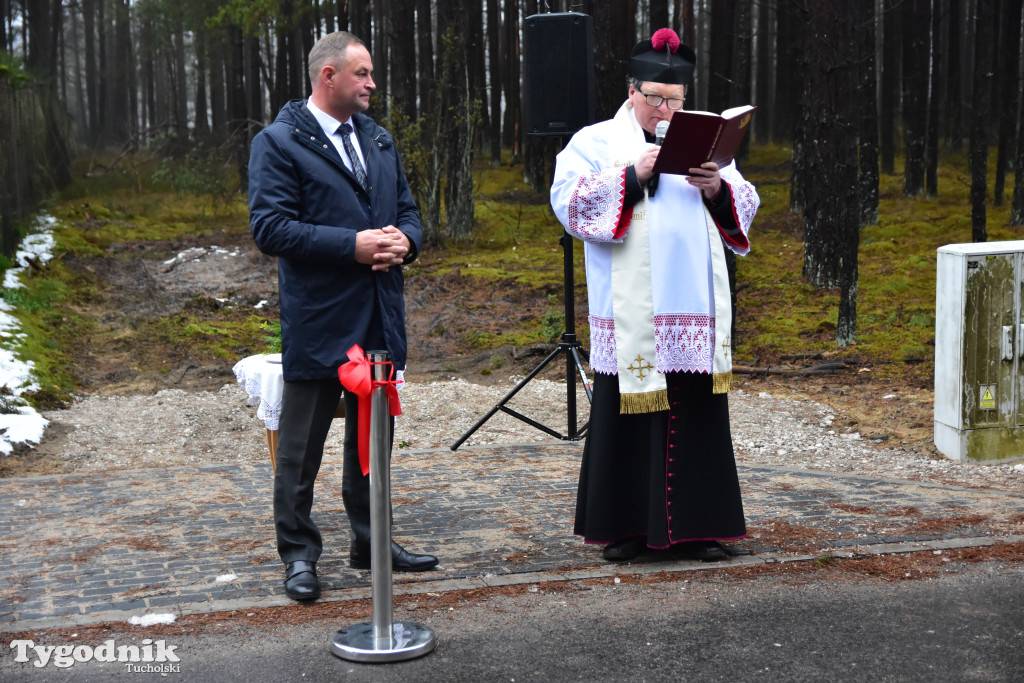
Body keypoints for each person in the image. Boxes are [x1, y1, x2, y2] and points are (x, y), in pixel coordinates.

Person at [550, 28, 760, 563]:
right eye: (655, 99)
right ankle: (623, 528)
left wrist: (717, 186)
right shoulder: (595, 142)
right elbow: (569, 203)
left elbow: (745, 202)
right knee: (628, 416)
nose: (665, 110)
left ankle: (700, 528)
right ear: (632, 92)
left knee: (697, 416)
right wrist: (630, 176)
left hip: (691, 304)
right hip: (631, 312)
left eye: (675, 101)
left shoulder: (705, 139)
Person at [248, 31, 438, 602]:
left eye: (371, 73)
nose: (372, 83)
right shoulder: (279, 143)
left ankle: (370, 540)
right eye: (361, 73)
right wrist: (351, 245)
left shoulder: (378, 140)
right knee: (301, 449)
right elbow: (271, 229)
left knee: (372, 443)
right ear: (327, 76)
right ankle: (299, 556)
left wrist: (405, 241)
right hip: (319, 320)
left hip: (379, 318)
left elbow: (409, 213)